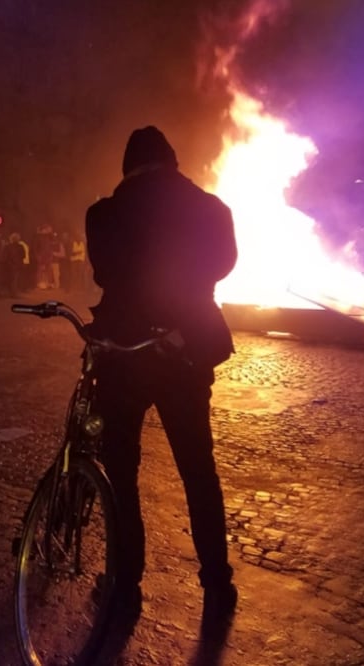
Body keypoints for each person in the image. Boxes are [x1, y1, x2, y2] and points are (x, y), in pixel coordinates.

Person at [85, 125, 239, 631]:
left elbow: (105, 275)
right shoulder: (212, 208)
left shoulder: (104, 213)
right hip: (184, 352)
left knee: (122, 478)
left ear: (128, 167)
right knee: (198, 472)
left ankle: (126, 586)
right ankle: (218, 584)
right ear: (173, 163)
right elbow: (224, 264)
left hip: (125, 354)